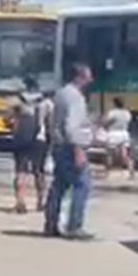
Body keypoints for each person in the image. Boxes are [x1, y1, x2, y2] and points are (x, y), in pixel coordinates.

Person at [44, 63, 95, 240]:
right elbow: (71, 126)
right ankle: (74, 226)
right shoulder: (75, 97)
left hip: (59, 145)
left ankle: (50, 223)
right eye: (88, 76)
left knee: (59, 185)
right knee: (82, 184)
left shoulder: (61, 94)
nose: (91, 79)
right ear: (80, 77)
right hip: (70, 146)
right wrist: (78, 149)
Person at [10, 88, 52, 215]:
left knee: (20, 171)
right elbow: (50, 123)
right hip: (40, 139)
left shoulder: (16, 101)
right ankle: (41, 201)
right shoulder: (47, 103)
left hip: (21, 139)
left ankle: (20, 201)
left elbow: (7, 119)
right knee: (39, 171)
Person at [100, 97, 135, 180]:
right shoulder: (127, 113)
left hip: (113, 134)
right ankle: (131, 171)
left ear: (115, 103)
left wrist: (104, 125)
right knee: (125, 154)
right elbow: (128, 121)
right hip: (124, 134)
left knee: (109, 154)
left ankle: (107, 173)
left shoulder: (112, 113)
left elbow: (105, 122)